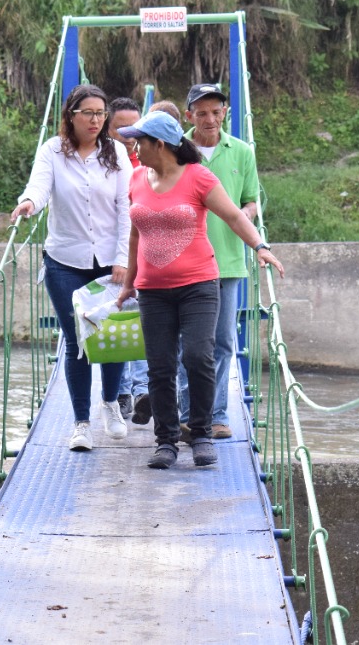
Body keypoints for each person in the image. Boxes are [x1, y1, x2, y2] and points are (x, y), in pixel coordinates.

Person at [115, 110, 283, 470]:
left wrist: (261, 248)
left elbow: (236, 216)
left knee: (197, 356)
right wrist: (129, 282)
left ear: (159, 144)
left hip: (199, 286)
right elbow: (135, 233)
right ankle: (166, 441)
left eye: (139, 140)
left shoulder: (198, 177)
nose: (134, 145)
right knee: (160, 367)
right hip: (152, 290)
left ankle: (202, 434)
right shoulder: (136, 179)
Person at [11, 85, 132, 452]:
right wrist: (29, 203)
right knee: (78, 340)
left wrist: (124, 258)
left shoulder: (118, 152)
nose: (96, 120)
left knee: (112, 335)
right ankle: (81, 423)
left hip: (110, 262)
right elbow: (40, 186)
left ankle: (110, 403)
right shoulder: (53, 150)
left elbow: (127, 207)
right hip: (64, 261)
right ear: (71, 115)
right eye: (88, 113)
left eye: (101, 113)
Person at [177, 83, 260, 440]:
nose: (209, 119)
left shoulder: (241, 152)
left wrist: (241, 216)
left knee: (223, 341)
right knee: (188, 343)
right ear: (188, 115)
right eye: (202, 112)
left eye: (216, 111)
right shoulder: (173, 151)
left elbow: (252, 202)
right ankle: (186, 413)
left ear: (225, 112)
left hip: (226, 261)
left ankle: (217, 414)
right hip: (184, 263)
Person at [107, 96, 149, 424]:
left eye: (135, 128)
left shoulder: (152, 162)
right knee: (121, 322)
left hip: (149, 252)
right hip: (116, 256)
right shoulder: (101, 164)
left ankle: (140, 390)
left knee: (146, 325)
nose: (130, 136)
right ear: (108, 129)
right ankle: (123, 391)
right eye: (122, 129)